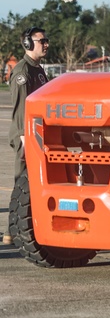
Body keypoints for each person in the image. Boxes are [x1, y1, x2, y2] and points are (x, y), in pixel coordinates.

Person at [5, 27, 50, 245]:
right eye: (42, 41)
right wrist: (24, 137)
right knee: (21, 183)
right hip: (26, 136)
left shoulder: (38, 70)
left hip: (37, 135)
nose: (46, 44)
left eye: (46, 40)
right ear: (28, 44)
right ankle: (11, 232)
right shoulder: (23, 71)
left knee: (32, 184)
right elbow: (21, 107)